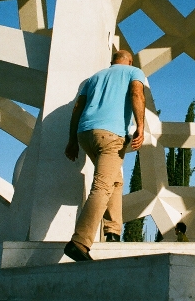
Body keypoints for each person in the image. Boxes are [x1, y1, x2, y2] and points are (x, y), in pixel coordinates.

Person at [63, 49, 146, 262]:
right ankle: (79, 242)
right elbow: (137, 94)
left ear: (112, 62)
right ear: (129, 61)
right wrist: (140, 126)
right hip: (111, 135)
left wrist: (72, 140)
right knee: (102, 186)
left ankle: (113, 231)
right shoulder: (133, 72)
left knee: (115, 180)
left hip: (85, 134)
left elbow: (77, 108)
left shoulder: (94, 78)